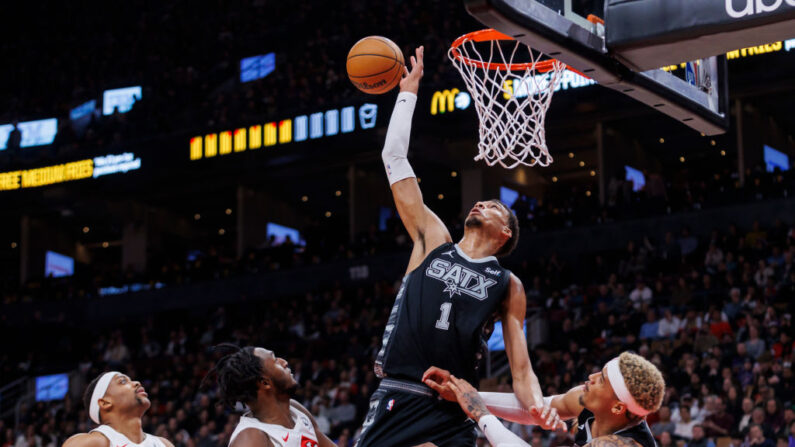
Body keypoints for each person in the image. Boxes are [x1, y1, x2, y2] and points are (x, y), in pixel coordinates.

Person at [355, 46, 560, 447]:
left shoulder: (507, 283)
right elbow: (393, 157)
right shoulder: (433, 239)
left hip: (454, 407)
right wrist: (407, 94)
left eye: (496, 206)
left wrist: (539, 405)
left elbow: (521, 370)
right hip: (401, 390)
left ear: (505, 235)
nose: (482, 202)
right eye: (481, 201)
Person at [425, 352, 664, 447]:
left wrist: (481, 414)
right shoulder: (588, 401)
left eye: (601, 379)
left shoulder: (621, 445)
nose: (591, 377)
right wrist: (463, 393)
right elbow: (538, 407)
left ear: (618, 407)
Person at [203, 344, 334, 447]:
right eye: (275, 361)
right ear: (265, 383)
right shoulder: (251, 438)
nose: (284, 362)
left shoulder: (295, 410)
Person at [62, 372, 174, 447]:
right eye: (123, 381)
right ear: (105, 403)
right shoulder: (90, 443)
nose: (136, 383)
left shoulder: (163, 444)